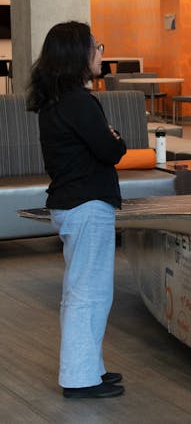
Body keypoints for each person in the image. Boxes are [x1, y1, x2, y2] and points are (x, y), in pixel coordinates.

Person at [27, 21, 126, 399]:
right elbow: (112, 149)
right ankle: (79, 378)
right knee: (89, 293)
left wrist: (110, 137)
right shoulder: (79, 103)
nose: (101, 52)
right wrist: (113, 137)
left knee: (85, 290)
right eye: (96, 46)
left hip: (72, 204)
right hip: (86, 205)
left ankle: (90, 368)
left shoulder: (56, 101)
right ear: (78, 56)